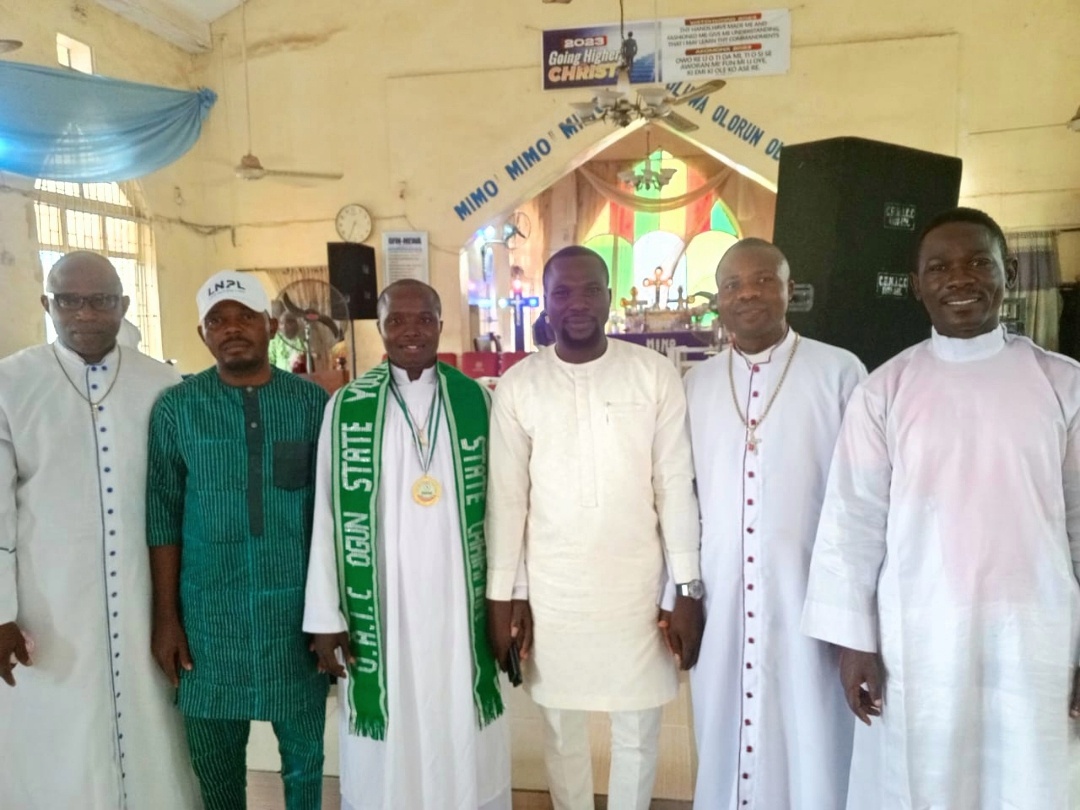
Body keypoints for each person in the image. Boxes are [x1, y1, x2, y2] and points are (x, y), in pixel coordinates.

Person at [802, 207, 1080, 808]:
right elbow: (853, 524)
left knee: (1032, 780)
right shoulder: (885, 391)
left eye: (979, 262)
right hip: (922, 633)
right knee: (926, 780)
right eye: (939, 268)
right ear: (916, 285)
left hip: (1037, 632)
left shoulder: (1064, 384)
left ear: (1008, 273)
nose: (959, 278)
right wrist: (854, 644)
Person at [486, 245, 703, 810]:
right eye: (562, 292)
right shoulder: (519, 385)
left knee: (639, 725)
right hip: (555, 588)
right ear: (546, 302)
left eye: (590, 290)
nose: (577, 303)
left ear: (610, 297)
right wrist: (507, 594)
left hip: (636, 584)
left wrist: (686, 587)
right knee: (560, 727)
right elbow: (507, 501)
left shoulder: (653, 375)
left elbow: (674, 485)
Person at [0, 251, 199, 808]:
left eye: (101, 300)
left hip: (146, 599)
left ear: (123, 305)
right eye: (69, 301)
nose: (84, 313)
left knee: (153, 726)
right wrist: (0, 612)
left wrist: (179, 609)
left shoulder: (163, 384)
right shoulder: (11, 384)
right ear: (48, 304)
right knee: (55, 731)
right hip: (49, 603)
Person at [304, 279, 511, 810]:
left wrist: (507, 599)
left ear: (440, 325)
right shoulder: (347, 407)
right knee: (389, 733)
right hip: (382, 602)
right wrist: (325, 615)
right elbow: (326, 513)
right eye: (396, 320)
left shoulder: (477, 401)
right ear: (381, 328)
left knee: (458, 713)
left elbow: (503, 507)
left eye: (423, 319)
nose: (411, 331)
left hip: (459, 599)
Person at [684, 238, 865, 809]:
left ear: (791, 290)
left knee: (813, 728)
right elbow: (680, 496)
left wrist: (857, 613)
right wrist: (680, 593)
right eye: (733, 285)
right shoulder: (696, 384)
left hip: (810, 594)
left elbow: (862, 499)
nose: (748, 294)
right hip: (722, 596)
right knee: (721, 723)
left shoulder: (839, 372)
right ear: (718, 300)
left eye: (764, 280)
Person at [147, 270, 329, 810]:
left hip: (294, 619)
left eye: (244, 317)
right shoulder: (177, 409)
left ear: (271, 326)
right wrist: (166, 618)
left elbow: (333, 515)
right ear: (202, 334)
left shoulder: (311, 404)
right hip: (208, 621)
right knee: (216, 770)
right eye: (217, 320)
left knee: (305, 764)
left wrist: (331, 614)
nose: (231, 328)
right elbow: (162, 516)